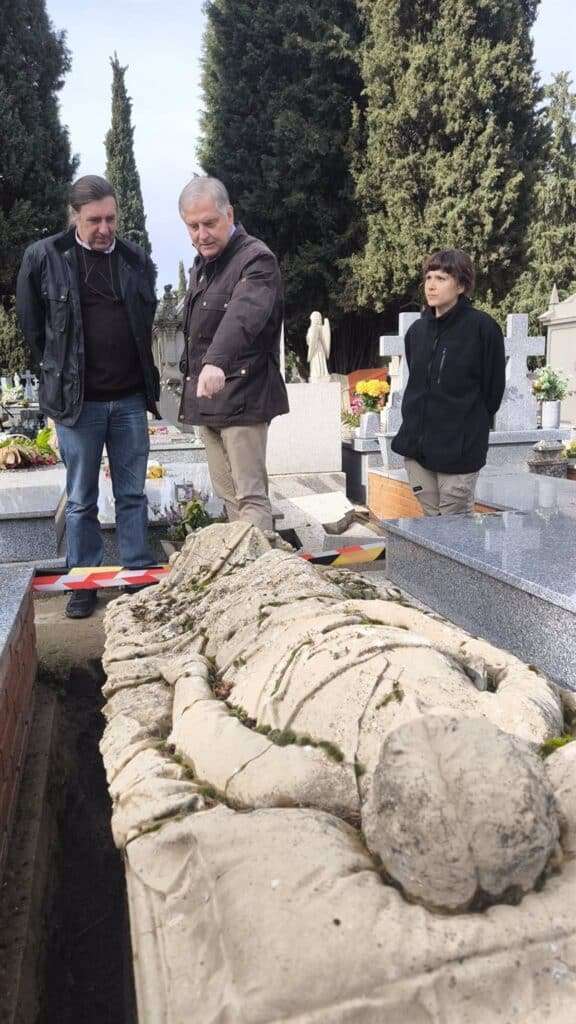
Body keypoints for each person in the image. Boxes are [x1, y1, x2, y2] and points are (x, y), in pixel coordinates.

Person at [16, 175, 160, 618]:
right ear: (74, 216)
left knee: (133, 494)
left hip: (131, 400)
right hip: (78, 404)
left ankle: (137, 578)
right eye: (94, 219)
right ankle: (83, 582)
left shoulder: (135, 259)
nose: (104, 228)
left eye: (111, 218)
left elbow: (146, 320)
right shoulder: (45, 257)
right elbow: (32, 326)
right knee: (81, 499)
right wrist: (61, 373)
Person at [177, 176, 288, 531]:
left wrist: (215, 362)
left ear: (230, 214)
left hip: (243, 396)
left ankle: (263, 581)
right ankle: (243, 577)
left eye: (209, 223)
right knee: (228, 501)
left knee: (251, 500)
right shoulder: (202, 267)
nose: (201, 234)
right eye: (192, 226)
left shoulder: (256, 259)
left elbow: (244, 314)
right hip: (209, 401)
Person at [391, 249, 506, 515]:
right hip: (418, 453)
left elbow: (492, 393)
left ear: (462, 285)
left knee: (454, 532)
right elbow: (418, 383)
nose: (431, 285)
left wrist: (466, 429)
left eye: (441, 278)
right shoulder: (417, 332)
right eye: (428, 277)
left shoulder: (483, 329)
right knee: (432, 528)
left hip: (459, 453)